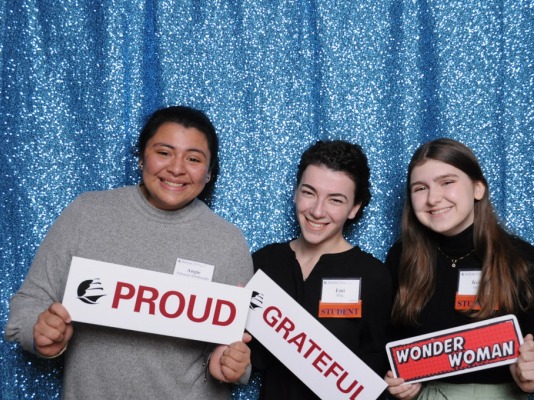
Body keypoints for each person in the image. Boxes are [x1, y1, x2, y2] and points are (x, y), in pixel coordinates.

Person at [5, 106, 254, 399]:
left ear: (210, 173)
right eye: (164, 152)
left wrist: (232, 365)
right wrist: (40, 333)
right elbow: (29, 303)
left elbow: (236, 352)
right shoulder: (87, 213)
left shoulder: (228, 241)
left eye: (193, 159)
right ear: (141, 157)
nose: (176, 168)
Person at [384, 138, 534, 399]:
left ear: (477, 189)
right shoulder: (401, 258)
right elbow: (389, 343)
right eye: (420, 188)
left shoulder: (527, 263)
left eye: (447, 182)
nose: (433, 198)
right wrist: (396, 381)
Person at [250, 140, 393, 399]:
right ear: (295, 192)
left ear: (354, 208)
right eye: (309, 192)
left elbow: (378, 364)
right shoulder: (264, 262)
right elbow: (249, 357)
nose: (317, 211)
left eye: (335, 200)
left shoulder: (374, 276)